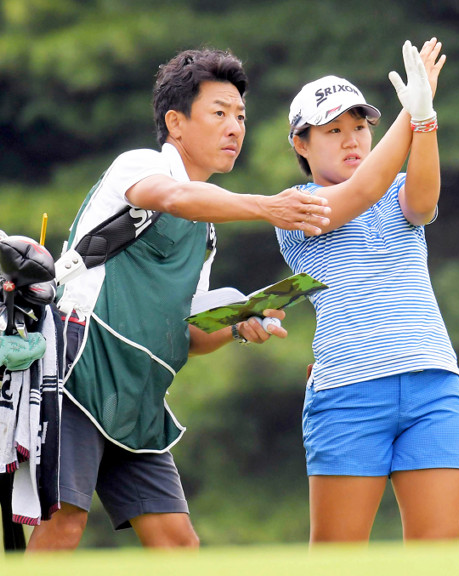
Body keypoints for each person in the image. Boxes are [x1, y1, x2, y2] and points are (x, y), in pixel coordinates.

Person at [26, 47, 333, 551]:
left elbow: (186, 334)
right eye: (219, 113)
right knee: (65, 524)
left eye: (241, 116)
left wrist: (237, 323)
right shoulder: (140, 165)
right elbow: (171, 197)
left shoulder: (208, 230)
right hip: (80, 367)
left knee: (178, 544)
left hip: (139, 394)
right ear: (176, 122)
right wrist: (267, 207)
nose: (235, 128)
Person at [276, 38, 459, 543]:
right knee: (340, 559)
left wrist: (425, 120)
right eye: (333, 130)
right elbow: (361, 192)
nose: (352, 140)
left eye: (360, 127)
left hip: (433, 382)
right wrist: (413, 111)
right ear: (301, 143)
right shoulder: (295, 207)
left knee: (437, 557)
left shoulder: (398, 184)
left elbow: (424, 202)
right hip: (349, 391)